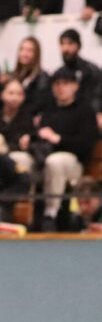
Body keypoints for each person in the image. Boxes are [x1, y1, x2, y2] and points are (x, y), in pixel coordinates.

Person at [35, 68, 100, 228]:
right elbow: (40, 136)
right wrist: (30, 138)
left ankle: (51, 213)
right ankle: (24, 214)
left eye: (65, 83)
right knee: (20, 160)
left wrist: (58, 139)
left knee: (55, 162)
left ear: (75, 86)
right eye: (57, 84)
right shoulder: (48, 110)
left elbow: (85, 144)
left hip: (75, 162)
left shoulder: (85, 110)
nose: (60, 88)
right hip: (44, 158)